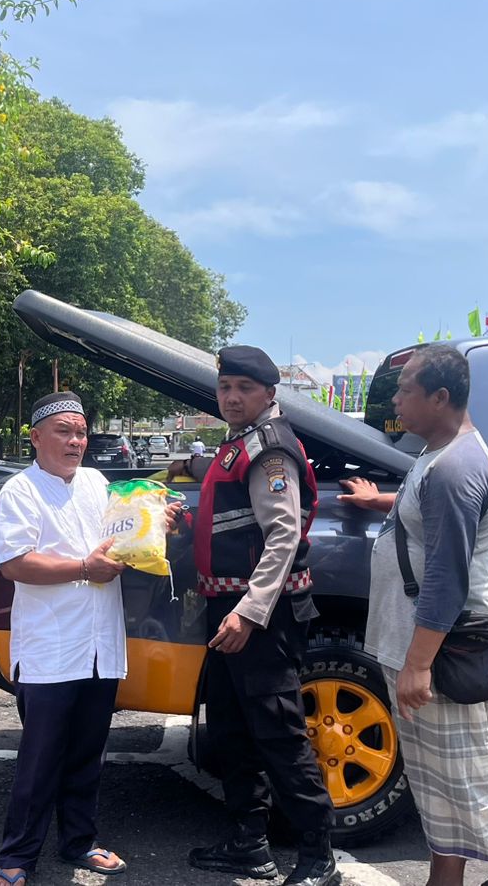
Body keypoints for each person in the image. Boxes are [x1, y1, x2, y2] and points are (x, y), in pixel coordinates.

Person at [339, 344, 488, 886]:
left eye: (405, 388)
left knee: (463, 775)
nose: (396, 397)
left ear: (440, 397)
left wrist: (417, 665)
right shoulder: (439, 454)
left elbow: (447, 578)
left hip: (441, 651)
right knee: (434, 777)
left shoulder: (456, 467)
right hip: (421, 645)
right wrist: (383, 501)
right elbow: (430, 511)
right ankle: (446, 876)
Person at [0, 392, 181, 885]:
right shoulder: (20, 491)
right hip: (51, 647)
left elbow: (124, 538)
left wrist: (157, 525)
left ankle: (78, 842)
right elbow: (13, 563)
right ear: (35, 437)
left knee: (88, 754)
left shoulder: (98, 483)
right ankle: (17, 856)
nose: (76, 441)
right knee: (40, 759)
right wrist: (82, 568)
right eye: (64, 431)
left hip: (100, 644)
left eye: (81, 432)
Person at [186, 345, 339, 886]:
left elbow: (281, 537)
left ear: (269, 394)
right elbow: (233, 517)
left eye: (244, 389)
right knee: (231, 728)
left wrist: (249, 613)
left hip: (260, 616)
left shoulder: (271, 451)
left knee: (278, 732)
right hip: (228, 608)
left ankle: (319, 856)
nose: (231, 397)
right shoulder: (240, 444)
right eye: (225, 387)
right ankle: (248, 844)